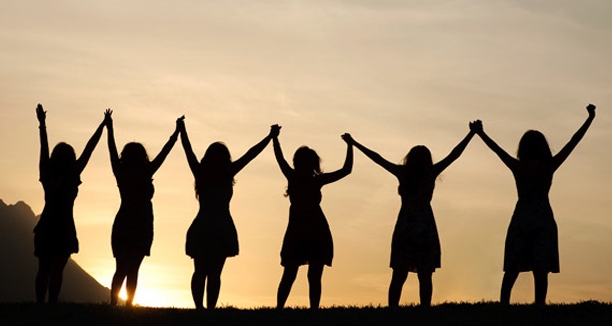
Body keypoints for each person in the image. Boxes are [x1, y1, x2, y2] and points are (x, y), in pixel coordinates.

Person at [471, 104, 596, 305]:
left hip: (522, 217)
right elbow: (573, 142)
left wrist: (480, 133)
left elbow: (496, 150)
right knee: (540, 268)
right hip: (542, 217)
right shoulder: (549, 166)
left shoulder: (518, 166)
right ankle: (539, 304)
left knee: (513, 266)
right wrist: (590, 119)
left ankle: (504, 304)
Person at [345, 126, 476, 307]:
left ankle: (393, 309)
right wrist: (472, 133)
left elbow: (378, 158)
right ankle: (424, 308)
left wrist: (354, 143)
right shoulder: (430, 172)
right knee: (424, 274)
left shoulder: (404, 173)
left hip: (406, 225)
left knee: (400, 273)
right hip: (424, 225)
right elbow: (454, 155)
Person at [179, 119, 280, 309]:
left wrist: (181, 130)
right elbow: (251, 154)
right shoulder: (227, 172)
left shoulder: (201, 172)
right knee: (214, 273)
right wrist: (270, 137)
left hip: (203, 225)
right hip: (221, 226)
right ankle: (208, 309)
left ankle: (200, 308)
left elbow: (188, 150)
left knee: (200, 270)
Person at [104, 110, 182, 306]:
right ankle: (128, 305)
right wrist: (176, 134)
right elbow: (164, 152)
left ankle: (113, 304)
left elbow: (112, 150)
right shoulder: (147, 171)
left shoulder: (121, 172)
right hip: (141, 224)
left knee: (121, 268)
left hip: (125, 222)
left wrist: (109, 128)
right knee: (133, 270)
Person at [33, 103, 106, 303]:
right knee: (56, 271)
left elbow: (44, 147)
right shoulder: (72, 174)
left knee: (44, 269)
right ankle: (51, 304)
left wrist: (42, 125)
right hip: (64, 226)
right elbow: (89, 149)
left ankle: (40, 305)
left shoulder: (48, 172)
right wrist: (103, 125)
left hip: (48, 225)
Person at [273, 131, 353, 309]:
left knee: (295, 273)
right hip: (310, 229)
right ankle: (308, 309)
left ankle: (283, 308)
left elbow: (279, 158)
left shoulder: (296, 177)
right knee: (305, 273)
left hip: (306, 229)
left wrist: (275, 138)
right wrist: (350, 145)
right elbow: (346, 170)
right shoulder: (310, 179)